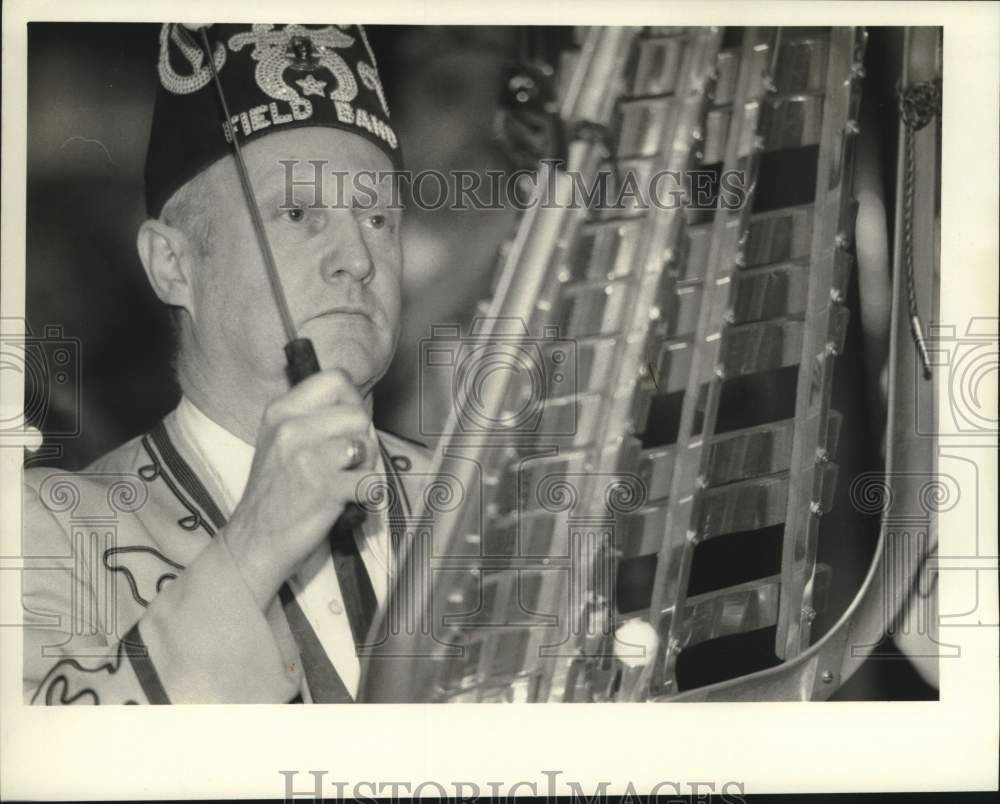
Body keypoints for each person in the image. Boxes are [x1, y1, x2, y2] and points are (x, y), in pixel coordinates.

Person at [22, 22, 430, 704]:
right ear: (174, 265)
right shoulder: (51, 529)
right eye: (298, 213)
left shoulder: (478, 503)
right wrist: (257, 542)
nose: (358, 259)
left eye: (378, 219)